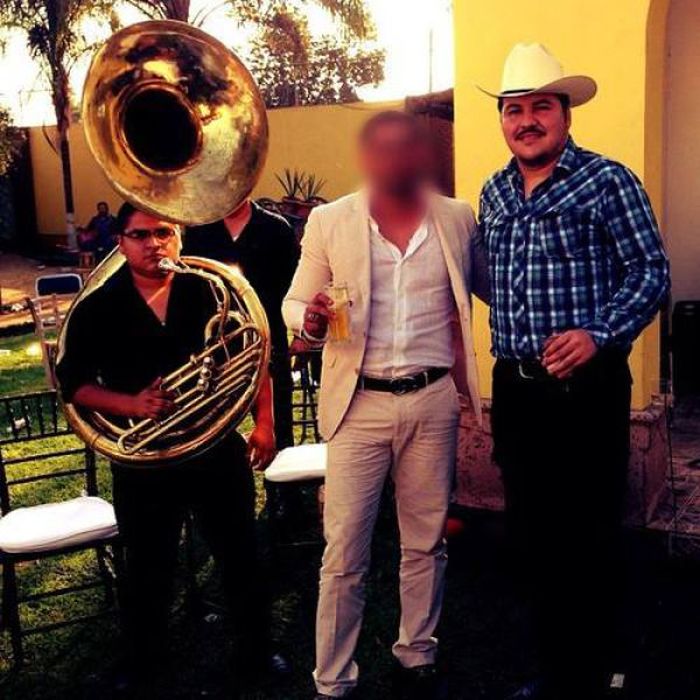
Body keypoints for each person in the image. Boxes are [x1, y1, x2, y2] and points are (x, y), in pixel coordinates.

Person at [476, 43, 670, 700]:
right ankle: (554, 667)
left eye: (540, 107)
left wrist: (599, 333)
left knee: (589, 532)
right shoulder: (494, 191)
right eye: (514, 109)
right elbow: (497, 280)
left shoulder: (608, 181)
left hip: (585, 392)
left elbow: (651, 272)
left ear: (565, 114)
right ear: (502, 119)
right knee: (532, 533)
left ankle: (599, 669)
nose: (526, 120)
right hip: (516, 389)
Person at [283, 110, 489, 700]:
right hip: (359, 404)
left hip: (432, 400)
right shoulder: (329, 220)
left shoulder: (457, 217)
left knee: (425, 539)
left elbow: (495, 286)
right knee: (345, 549)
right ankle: (332, 678)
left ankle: (417, 652)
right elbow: (294, 302)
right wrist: (309, 320)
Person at [55, 202, 289, 691]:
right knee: (146, 568)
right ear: (120, 243)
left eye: (163, 232)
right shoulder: (98, 306)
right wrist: (131, 404)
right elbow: (74, 384)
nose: (153, 244)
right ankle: (143, 663)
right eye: (139, 235)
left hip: (215, 450)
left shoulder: (210, 290)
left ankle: (256, 650)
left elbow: (254, 354)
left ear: (179, 237)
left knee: (241, 555)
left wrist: (265, 423)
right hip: (145, 461)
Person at [183, 198, 300, 454]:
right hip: (214, 347)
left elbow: (296, 288)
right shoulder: (199, 232)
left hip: (269, 340)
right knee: (213, 431)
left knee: (279, 431)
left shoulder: (276, 228)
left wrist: (300, 337)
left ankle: (280, 478)